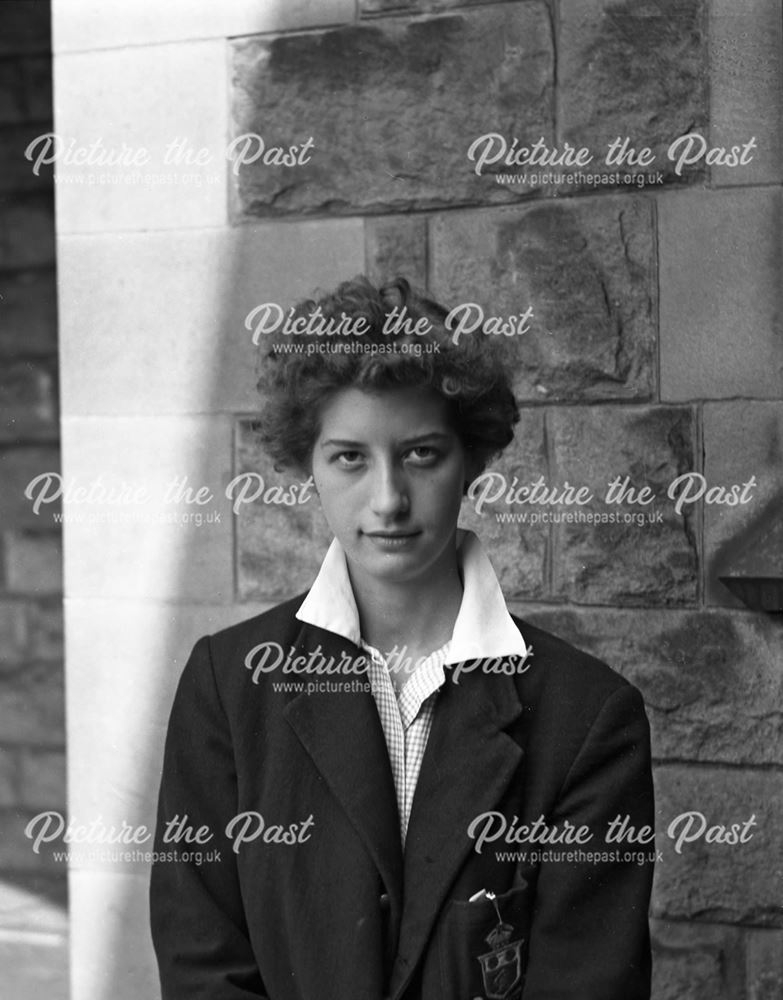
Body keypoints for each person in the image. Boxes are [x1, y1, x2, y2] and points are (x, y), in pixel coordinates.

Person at [149, 276, 655, 1000]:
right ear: (308, 467)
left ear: (472, 459)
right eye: (349, 458)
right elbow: (202, 963)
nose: (386, 500)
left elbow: (588, 982)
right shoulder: (228, 686)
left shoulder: (588, 717)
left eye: (420, 454)